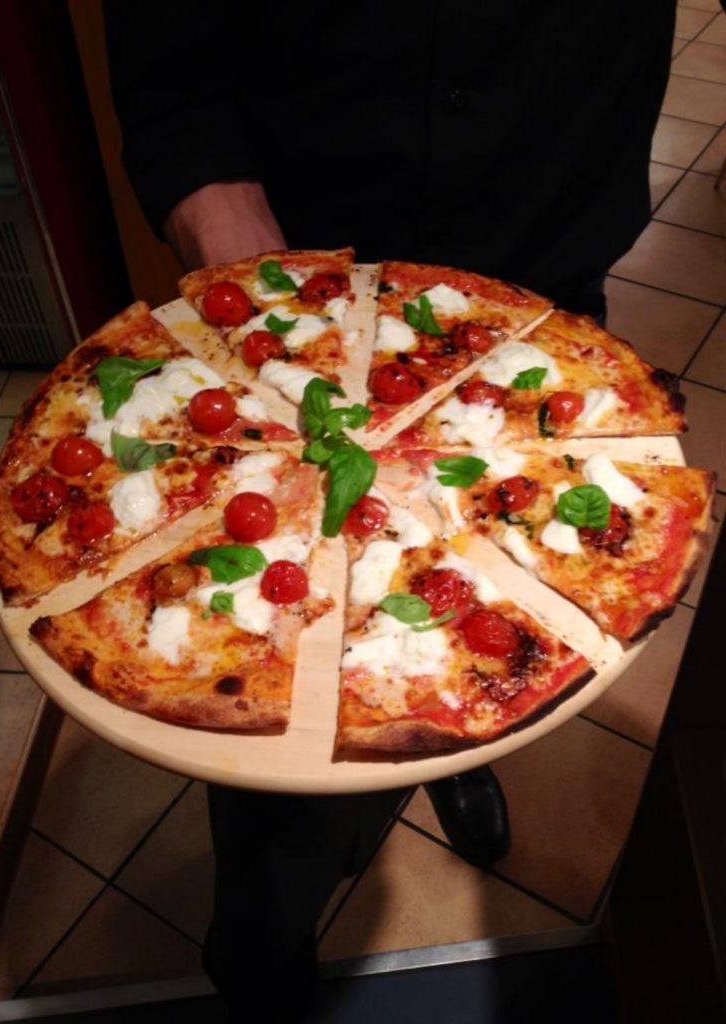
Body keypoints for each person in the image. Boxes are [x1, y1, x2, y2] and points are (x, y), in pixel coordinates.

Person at [104, 2, 675, 1018]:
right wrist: (227, 225)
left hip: (540, 251)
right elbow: (168, 47)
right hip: (303, 257)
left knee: (480, 610)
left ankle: (445, 725)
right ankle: (262, 955)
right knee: (268, 755)